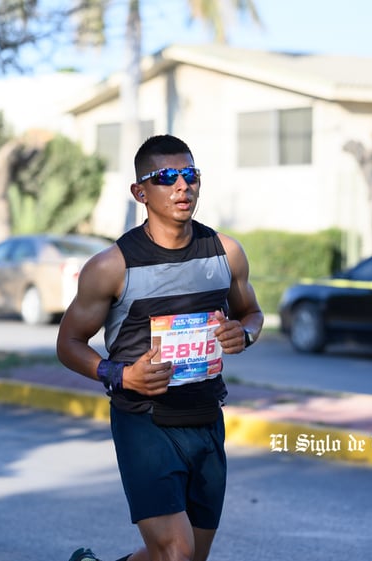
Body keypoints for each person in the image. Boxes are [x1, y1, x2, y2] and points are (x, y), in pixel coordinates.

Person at [56, 134, 264, 561]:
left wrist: (243, 334)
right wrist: (118, 373)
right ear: (140, 192)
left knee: (186, 556)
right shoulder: (111, 266)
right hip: (144, 422)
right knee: (176, 552)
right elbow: (68, 343)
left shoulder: (226, 253)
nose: (182, 186)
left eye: (190, 175)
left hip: (206, 419)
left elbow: (253, 314)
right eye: (166, 177)